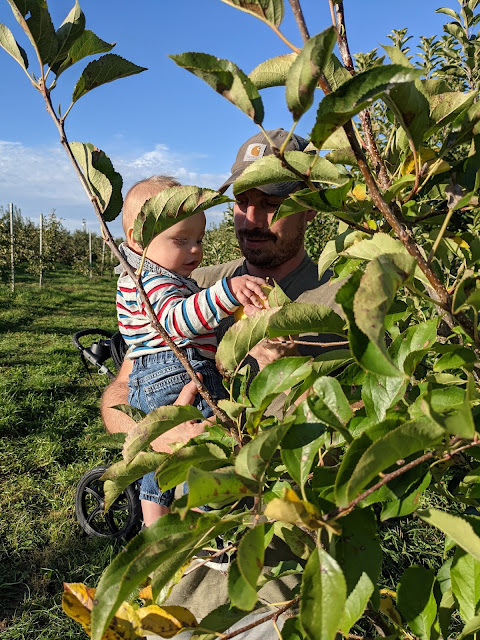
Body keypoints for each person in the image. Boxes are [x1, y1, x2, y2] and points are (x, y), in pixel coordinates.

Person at [101, 129, 345, 634]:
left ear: (311, 209)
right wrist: (154, 432)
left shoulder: (341, 303)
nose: (251, 220)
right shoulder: (196, 280)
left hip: (272, 588)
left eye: (272, 202)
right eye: (242, 201)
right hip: (177, 576)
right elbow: (122, 392)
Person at [116, 175, 268, 525]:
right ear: (137, 243)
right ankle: (206, 517)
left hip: (162, 374)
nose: (196, 251)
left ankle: (157, 526)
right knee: (207, 449)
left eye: (198, 240)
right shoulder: (152, 281)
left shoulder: (171, 276)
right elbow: (175, 320)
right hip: (174, 371)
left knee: (163, 468)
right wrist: (227, 293)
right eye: (180, 240)